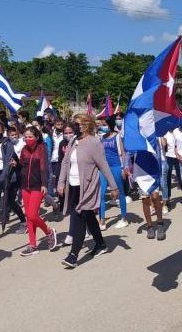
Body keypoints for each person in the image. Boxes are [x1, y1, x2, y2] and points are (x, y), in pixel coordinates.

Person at [58, 114, 119, 268]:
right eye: (74, 123)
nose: (74, 126)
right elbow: (65, 162)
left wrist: (113, 186)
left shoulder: (94, 142)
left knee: (79, 218)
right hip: (73, 186)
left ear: (86, 125)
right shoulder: (73, 140)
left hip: (88, 187)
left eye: (77, 124)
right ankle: (100, 243)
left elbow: (103, 165)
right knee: (88, 216)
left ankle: (73, 255)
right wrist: (61, 182)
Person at [0, 121, 26, 242]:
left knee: (10, 202)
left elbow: (8, 164)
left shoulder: (8, 144)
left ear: (3, 131)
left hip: (8, 176)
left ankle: (23, 221)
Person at [18, 127, 57, 256]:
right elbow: (21, 165)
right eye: (26, 137)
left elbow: (44, 167)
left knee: (33, 215)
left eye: (30, 137)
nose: (28, 139)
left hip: (37, 186)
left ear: (36, 137)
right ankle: (33, 245)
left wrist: (45, 184)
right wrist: (15, 164)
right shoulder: (23, 150)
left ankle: (49, 232)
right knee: (28, 216)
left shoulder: (42, 149)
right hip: (25, 186)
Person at [99, 117, 129, 230]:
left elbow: (122, 153)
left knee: (120, 193)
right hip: (104, 169)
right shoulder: (102, 137)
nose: (102, 126)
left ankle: (124, 218)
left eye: (104, 124)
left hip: (117, 167)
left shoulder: (117, 136)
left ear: (110, 125)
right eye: (102, 124)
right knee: (101, 194)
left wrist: (123, 168)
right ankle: (102, 219)